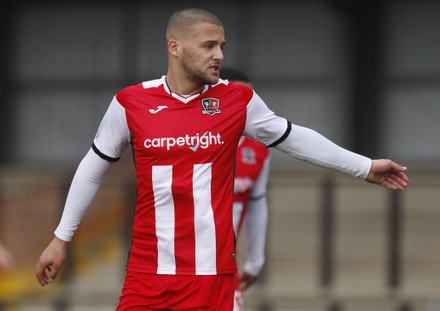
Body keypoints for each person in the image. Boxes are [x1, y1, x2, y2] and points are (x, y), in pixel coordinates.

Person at [35, 8, 409, 311]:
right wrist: (60, 238)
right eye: (209, 45)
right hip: (147, 275)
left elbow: (293, 136)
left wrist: (364, 166)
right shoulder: (130, 103)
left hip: (213, 279)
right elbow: (93, 167)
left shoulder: (237, 101)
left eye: (222, 46)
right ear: (175, 47)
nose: (220, 56)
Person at [221, 67, 270, 311]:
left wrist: (255, 261)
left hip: (225, 267)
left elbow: (257, 202)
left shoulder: (259, 149)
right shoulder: (193, 142)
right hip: (179, 266)